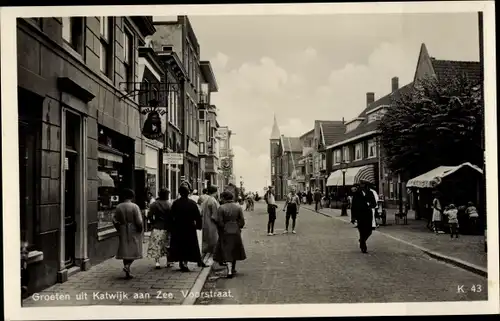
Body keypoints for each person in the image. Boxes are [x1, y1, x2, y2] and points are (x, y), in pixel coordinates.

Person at [169, 185, 207, 272]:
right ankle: (185, 263)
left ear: (179, 193)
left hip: (178, 227)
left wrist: (171, 226)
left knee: (179, 245)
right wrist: (199, 226)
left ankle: (181, 261)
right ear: (188, 193)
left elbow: (171, 216)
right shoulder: (192, 204)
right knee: (188, 245)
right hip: (189, 227)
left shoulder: (175, 203)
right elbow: (197, 216)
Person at [214, 191, 246, 278]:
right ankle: (233, 268)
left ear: (224, 198)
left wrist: (224, 228)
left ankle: (229, 271)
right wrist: (237, 227)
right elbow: (242, 221)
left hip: (225, 231)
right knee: (234, 249)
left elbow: (219, 221)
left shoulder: (221, 208)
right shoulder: (238, 207)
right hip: (236, 230)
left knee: (227, 250)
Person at [113, 188, 143, 279]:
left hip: (123, 229)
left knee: (125, 249)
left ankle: (127, 270)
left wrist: (118, 228)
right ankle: (127, 267)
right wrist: (140, 229)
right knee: (135, 249)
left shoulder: (119, 206)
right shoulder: (134, 206)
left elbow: (114, 220)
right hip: (133, 229)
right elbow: (139, 221)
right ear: (132, 197)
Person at [146, 189, 172, 269]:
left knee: (156, 244)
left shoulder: (154, 204)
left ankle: (157, 262)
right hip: (167, 227)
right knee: (167, 244)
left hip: (157, 226)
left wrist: (152, 222)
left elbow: (149, 215)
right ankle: (168, 261)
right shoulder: (169, 204)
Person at [350, 182, 376, 253]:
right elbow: (353, 206)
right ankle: (363, 246)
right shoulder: (356, 194)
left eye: (363, 184)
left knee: (369, 231)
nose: (362, 186)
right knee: (361, 230)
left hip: (368, 214)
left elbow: (374, 203)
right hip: (360, 214)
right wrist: (353, 217)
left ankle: (362, 240)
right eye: (361, 184)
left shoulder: (370, 193)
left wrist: (370, 205)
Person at [200, 185, 220, 259]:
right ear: (215, 192)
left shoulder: (205, 200)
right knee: (213, 242)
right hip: (212, 224)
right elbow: (215, 215)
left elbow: (201, 212)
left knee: (206, 242)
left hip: (205, 223)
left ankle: (203, 258)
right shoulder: (213, 201)